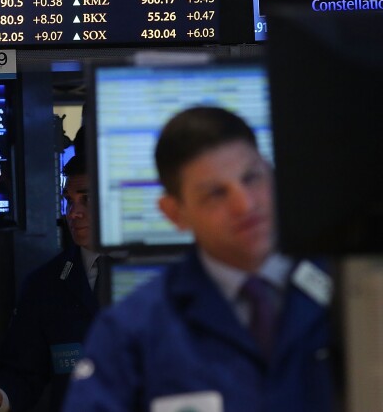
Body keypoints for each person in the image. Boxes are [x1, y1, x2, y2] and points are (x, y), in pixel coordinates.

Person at [62, 106, 337, 412]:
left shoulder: (350, 298)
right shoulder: (133, 331)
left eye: (252, 178)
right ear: (174, 212)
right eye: (216, 193)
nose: (245, 205)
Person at [0, 153, 107, 412]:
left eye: (87, 200)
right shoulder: (45, 284)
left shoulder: (162, 274)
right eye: (69, 201)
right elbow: (22, 373)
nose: (74, 213)